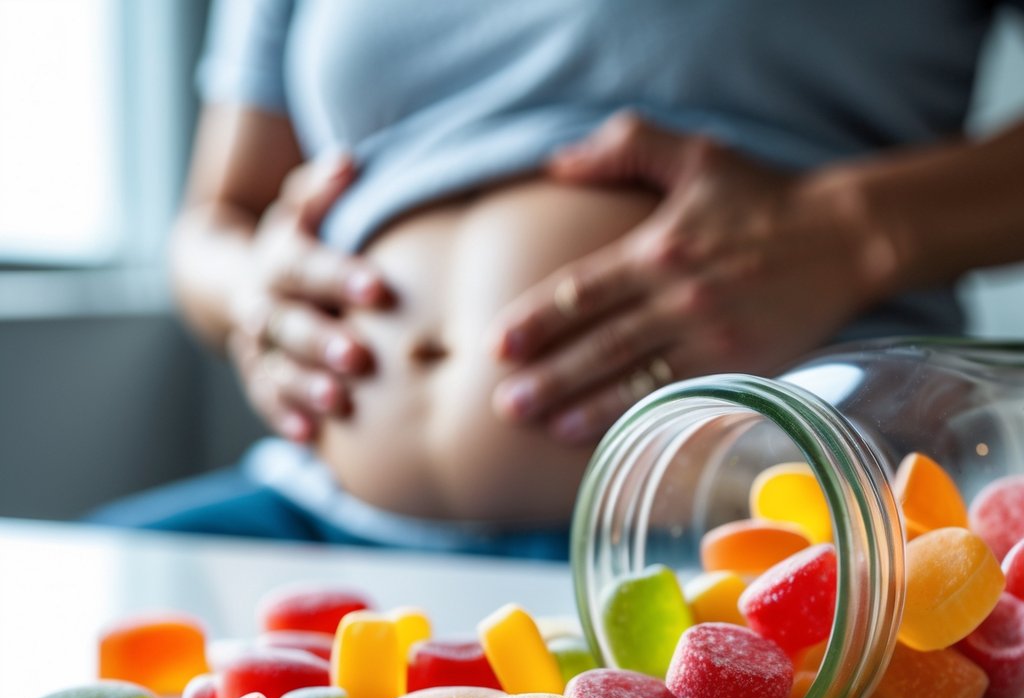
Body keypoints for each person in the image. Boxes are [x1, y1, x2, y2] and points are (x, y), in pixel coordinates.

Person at [92, 0, 1024, 559]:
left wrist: (854, 228)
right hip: (320, 519)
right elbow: (215, 218)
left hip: (781, 554)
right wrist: (256, 292)